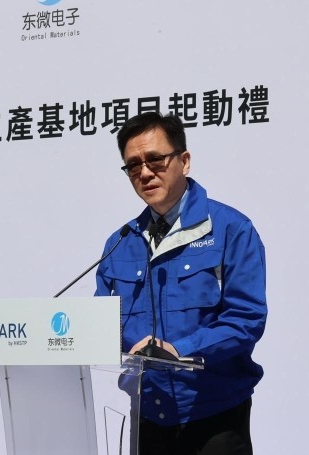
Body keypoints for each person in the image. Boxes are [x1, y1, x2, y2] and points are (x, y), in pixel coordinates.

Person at [95, 111, 267, 455]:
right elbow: (100, 324)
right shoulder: (120, 242)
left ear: (184, 161)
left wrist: (181, 350)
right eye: (133, 165)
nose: (145, 173)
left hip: (214, 418)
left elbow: (246, 319)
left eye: (155, 160)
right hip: (147, 418)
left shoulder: (231, 230)